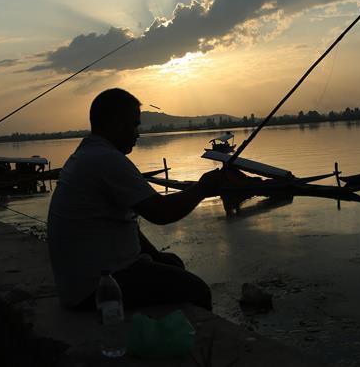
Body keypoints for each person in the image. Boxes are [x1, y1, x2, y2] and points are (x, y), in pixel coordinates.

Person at [47, 88, 246, 311]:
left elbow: (126, 220)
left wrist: (154, 255)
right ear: (114, 124)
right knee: (197, 291)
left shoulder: (88, 154)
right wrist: (203, 187)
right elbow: (161, 213)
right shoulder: (107, 159)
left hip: (81, 282)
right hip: (97, 287)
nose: (137, 133)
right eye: (133, 125)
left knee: (171, 264)